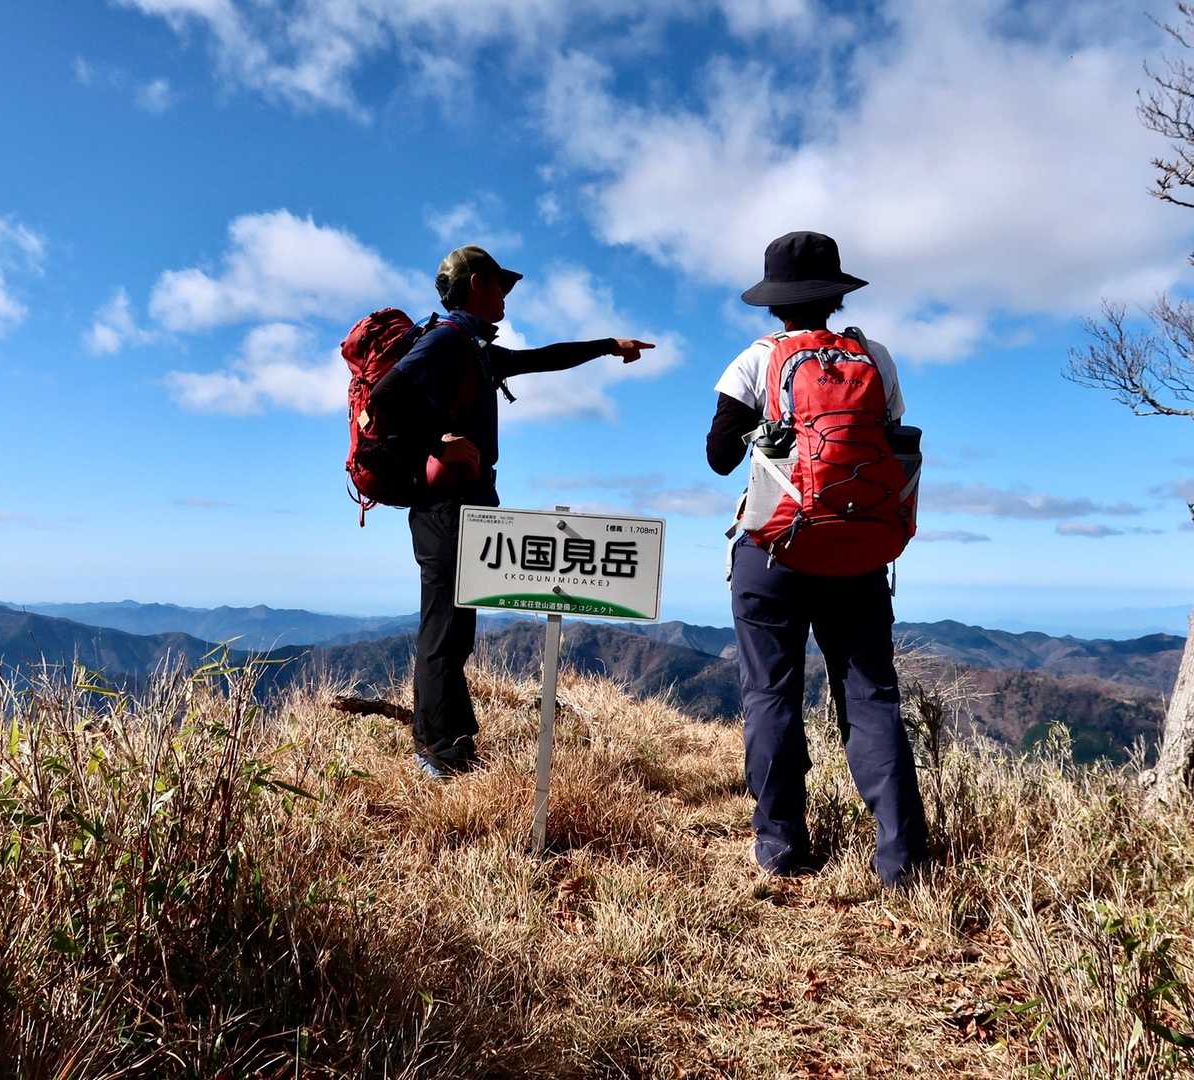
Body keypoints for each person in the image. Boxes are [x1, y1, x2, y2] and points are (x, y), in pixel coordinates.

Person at [371, 245, 653, 780]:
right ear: (477, 282)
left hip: (468, 502)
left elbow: (540, 358)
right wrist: (437, 442)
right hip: (444, 506)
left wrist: (607, 346)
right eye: (499, 284)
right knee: (443, 628)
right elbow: (382, 400)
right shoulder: (446, 341)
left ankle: (453, 740)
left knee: (456, 628)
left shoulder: (473, 348)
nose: (505, 295)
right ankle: (437, 751)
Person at [705, 231, 928, 885]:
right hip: (858, 549)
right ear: (835, 295)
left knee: (770, 693)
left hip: (773, 550)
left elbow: (719, 458)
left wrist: (767, 430)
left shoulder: (755, 361)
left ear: (774, 302)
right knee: (871, 696)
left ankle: (780, 844)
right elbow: (886, 442)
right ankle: (902, 860)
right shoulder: (875, 358)